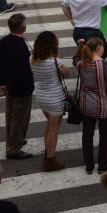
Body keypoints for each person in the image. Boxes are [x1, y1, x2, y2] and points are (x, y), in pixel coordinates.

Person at [77, 37, 107, 174]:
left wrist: (79, 45)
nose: (103, 49)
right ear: (98, 48)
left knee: (87, 135)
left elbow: (76, 58)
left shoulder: (81, 64)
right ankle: (102, 165)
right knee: (105, 135)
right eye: (102, 46)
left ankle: (89, 165)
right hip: (105, 107)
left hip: (87, 106)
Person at [0, 13, 34, 160]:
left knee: (11, 117)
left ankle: (12, 142)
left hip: (9, 86)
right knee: (20, 119)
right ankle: (14, 148)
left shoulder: (3, 41)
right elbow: (24, 68)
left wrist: (1, 83)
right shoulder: (20, 45)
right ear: (22, 27)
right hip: (21, 88)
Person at [30, 31, 68, 171]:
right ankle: (50, 161)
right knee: (53, 129)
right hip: (55, 98)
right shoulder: (55, 62)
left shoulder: (33, 59)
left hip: (41, 97)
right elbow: (66, 73)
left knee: (49, 126)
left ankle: (48, 151)